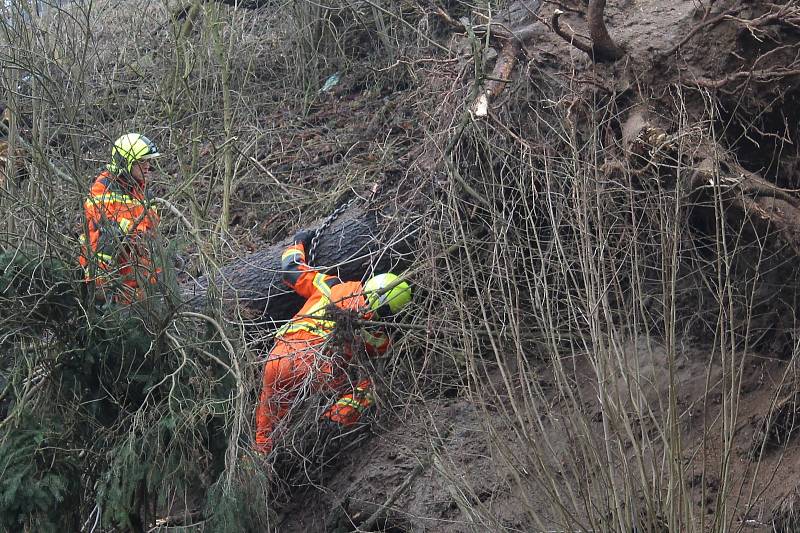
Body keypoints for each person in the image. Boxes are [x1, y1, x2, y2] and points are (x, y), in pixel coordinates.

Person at [254, 230, 412, 455]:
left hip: (277, 359)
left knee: (265, 431)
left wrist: (298, 242)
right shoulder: (378, 336)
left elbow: (291, 271)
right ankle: (333, 421)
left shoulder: (332, 286)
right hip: (316, 369)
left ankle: (258, 466)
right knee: (372, 385)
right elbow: (384, 359)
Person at [79, 133, 161, 304]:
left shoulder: (144, 192)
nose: (148, 166)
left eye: (148, 161)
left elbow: (152, 232)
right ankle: (103, 298)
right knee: (108, 238)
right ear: (126, 162)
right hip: (110, 275)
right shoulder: (103, 188)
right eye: (142, 161)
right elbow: (107, 232)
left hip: (140, 276)